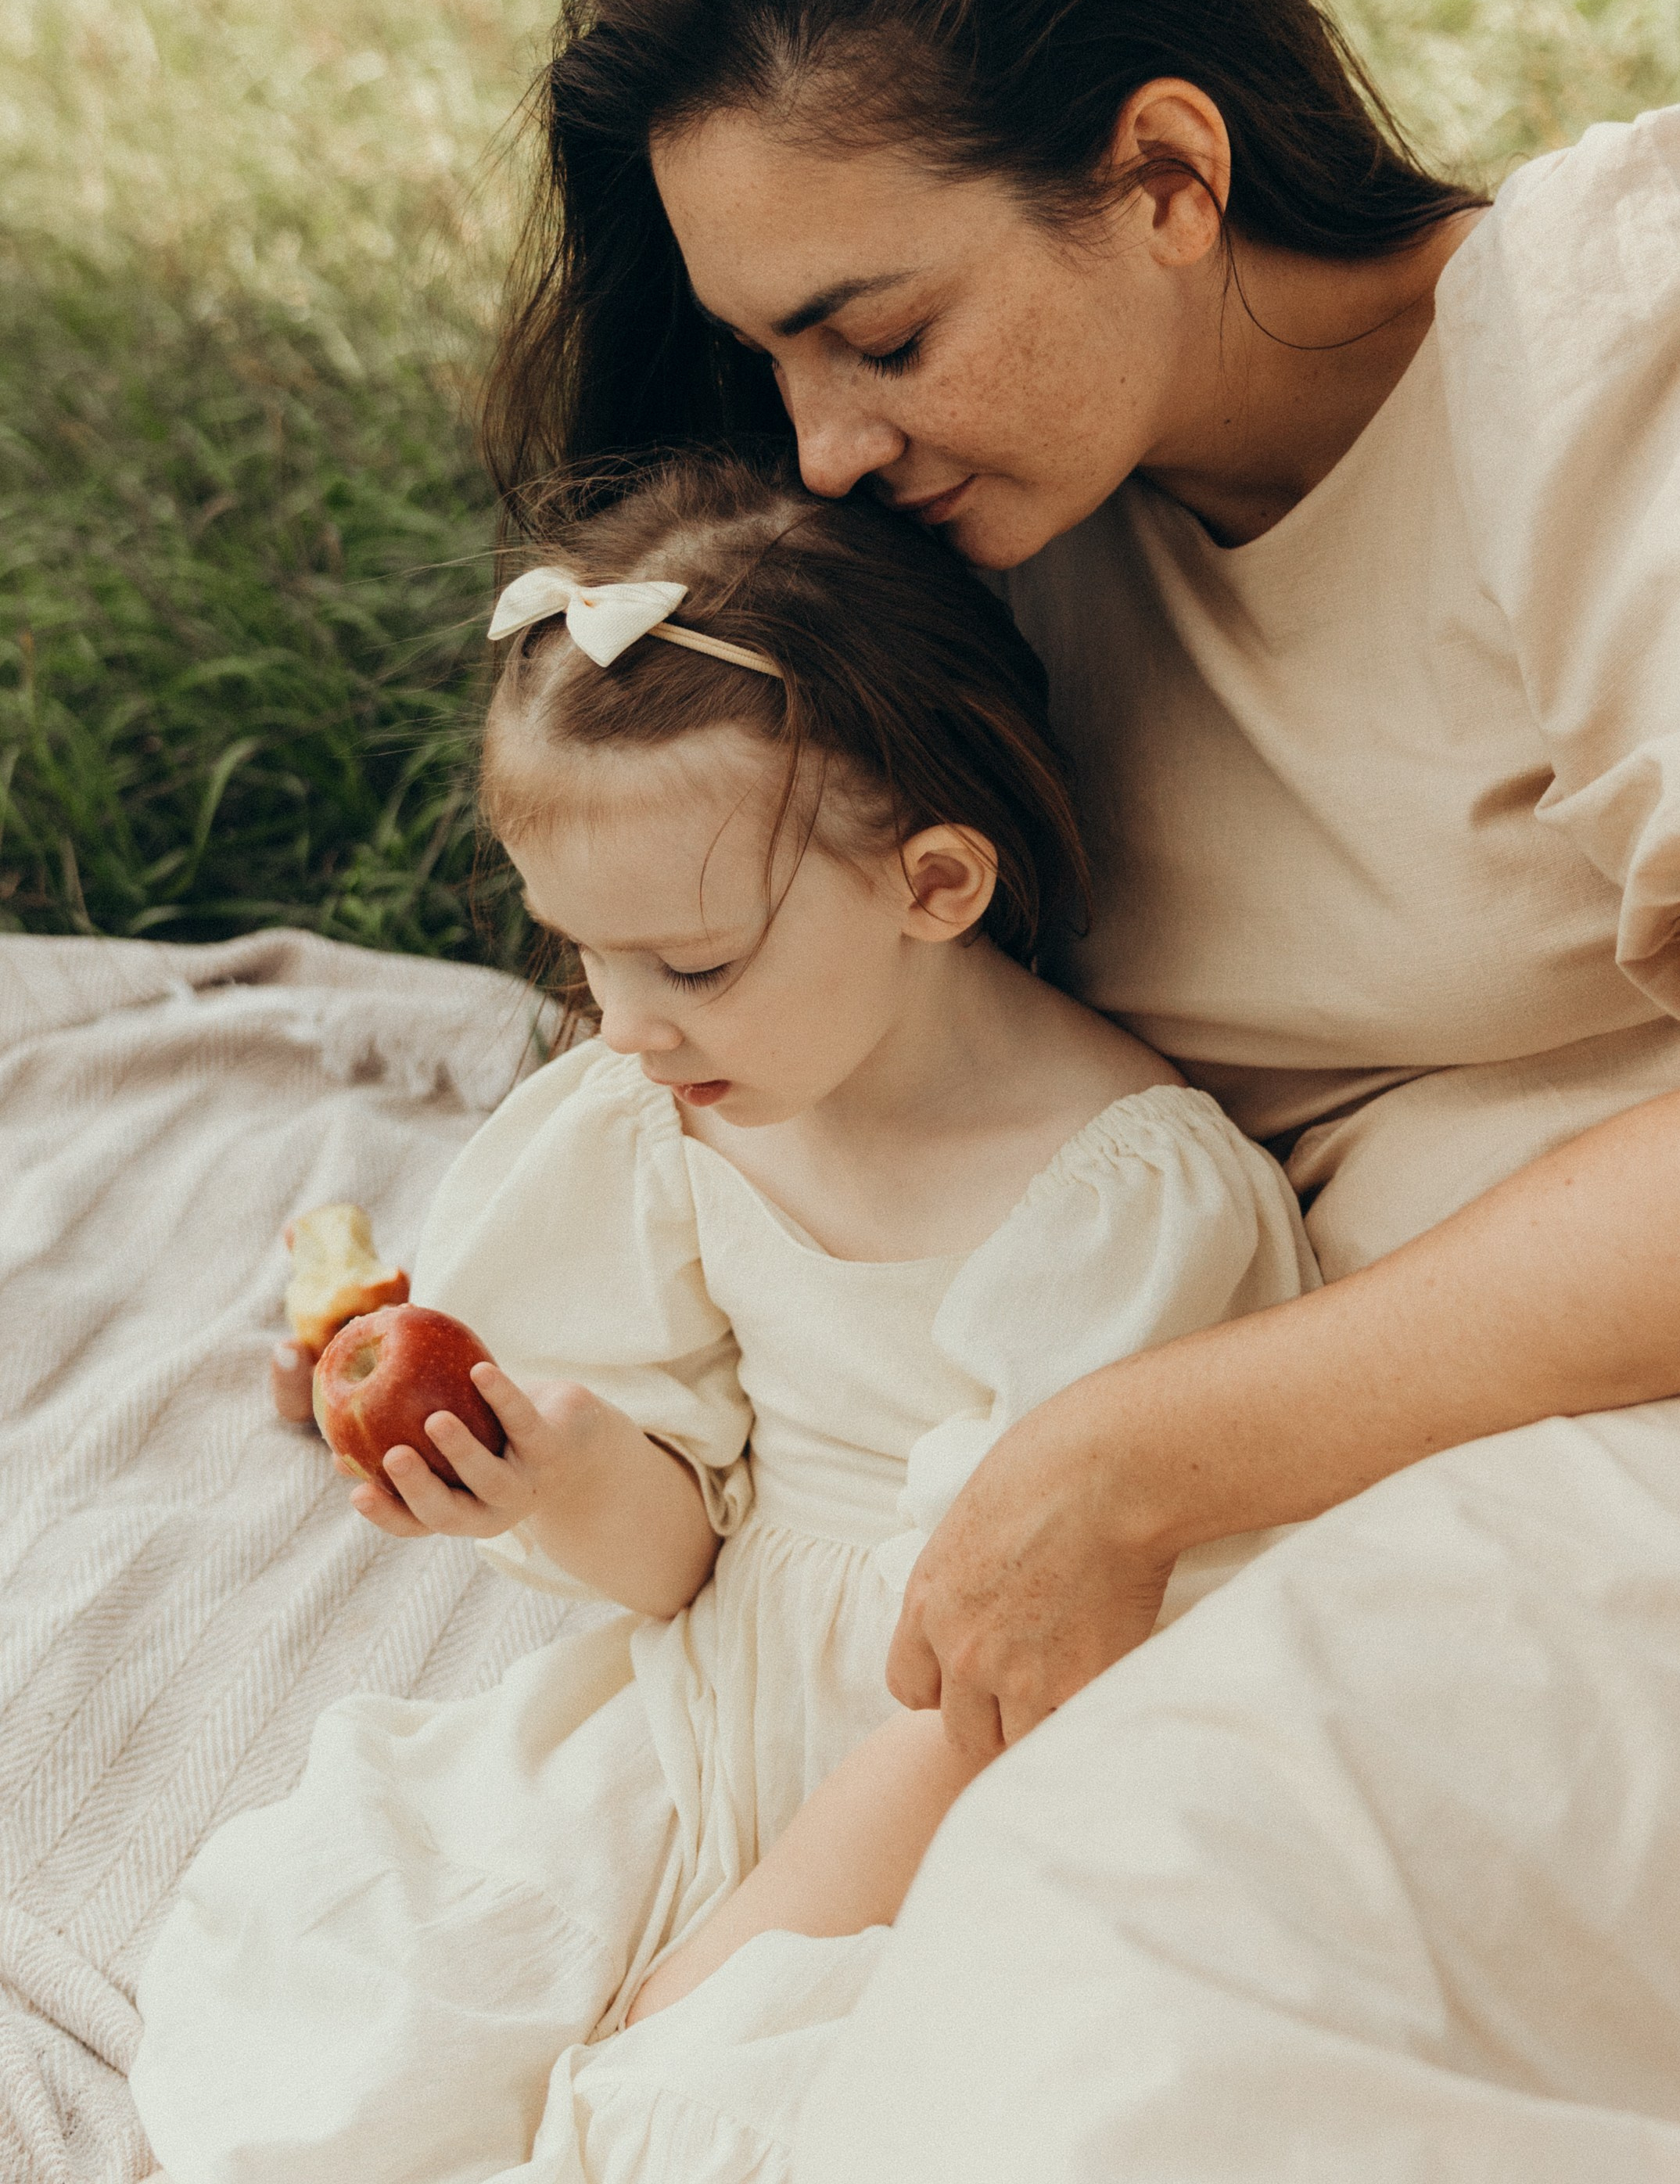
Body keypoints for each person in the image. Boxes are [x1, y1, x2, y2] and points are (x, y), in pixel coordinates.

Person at [456, 0, 1680, 2169]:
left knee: (1120, 1974)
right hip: (1297, 1476)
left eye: (879, 332)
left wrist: (1144, 1456)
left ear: (1167, 173)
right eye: (772, 357)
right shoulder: (992, 555)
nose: (821, 444)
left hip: (1668, 1441)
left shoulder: (1624, 344)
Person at [129, 453, 1313, 2183]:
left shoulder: (1115, 1201)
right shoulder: (677, 1112)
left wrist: (706, 1982)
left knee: (748, 2098)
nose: (626, 1029)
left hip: (976, 1758)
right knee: (383, 2013)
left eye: (690, 965)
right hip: (721, 1707)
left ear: (933, 887)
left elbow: (992, 1677)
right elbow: (689, 1564)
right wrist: (566, 1479)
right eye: (582, 957)